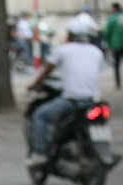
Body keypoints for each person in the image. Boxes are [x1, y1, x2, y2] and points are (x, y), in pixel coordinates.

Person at [25, 19, 103, 167]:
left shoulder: (62, 50)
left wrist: (34, 85)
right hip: (93, 102)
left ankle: (40, 153)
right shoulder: (97, 52)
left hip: (72, 101)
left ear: (70, 34)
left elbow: (47, 71)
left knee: (40, 116)